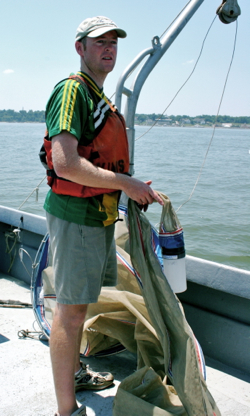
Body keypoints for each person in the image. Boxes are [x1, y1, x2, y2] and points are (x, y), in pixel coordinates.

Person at [43, 16, 164, 416]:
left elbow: (98, 162)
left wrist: (129, 184)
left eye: (113, 42)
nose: (108, 49)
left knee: (79, 305)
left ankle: (74, 371)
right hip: (77, 217)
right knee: (71, 310)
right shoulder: (72, 92)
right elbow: (65, 164)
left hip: (97, 218)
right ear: (80, 48)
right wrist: (125, 183)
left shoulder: (97, 96)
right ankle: (66, 409)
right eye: (99, 43)